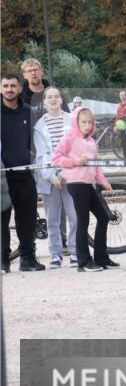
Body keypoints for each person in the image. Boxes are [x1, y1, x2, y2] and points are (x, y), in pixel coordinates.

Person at [51, 107, 116, 272]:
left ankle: (101, 258)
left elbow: (96, 166)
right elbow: (56, 158)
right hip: (76, 184)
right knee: (83, 221)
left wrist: (103, 181)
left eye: (90, 122)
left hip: (88, 184)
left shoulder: (92, 142)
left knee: (103, 217)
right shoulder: (69, 138)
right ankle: (84, 262)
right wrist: (75, 161)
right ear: (76, 122)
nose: (87, 125)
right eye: (84, 122)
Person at [1, 74, 45, 272]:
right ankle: (3, 261)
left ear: (20, 88)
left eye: (13, 86)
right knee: (1, 220)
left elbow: (36, 140)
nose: (9, 89)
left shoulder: (28, 111)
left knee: (27, 219)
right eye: (5, 86)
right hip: (1, 177)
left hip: (25, 174)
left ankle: (27, 259)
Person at [32, 87, 78, 268]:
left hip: (71, 176)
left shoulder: (72, 120)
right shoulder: (39, 126)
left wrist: (65, 173)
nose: (53, 100)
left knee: (75, 216)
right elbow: (41, 155)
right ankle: (56, 254)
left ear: (61, 100)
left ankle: (75, 252)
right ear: (44, 101)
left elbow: (75, 149)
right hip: (49, 179)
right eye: (49, 97)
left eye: (56, 96)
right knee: (52, 219)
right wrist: (53, 177)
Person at [114, 90, 126, 158]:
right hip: (122, 125)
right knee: (123, 141)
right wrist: (115, 125)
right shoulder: (119, 105)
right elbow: (117, 116)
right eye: (120, 95)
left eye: (123, 95)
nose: (121, 97)